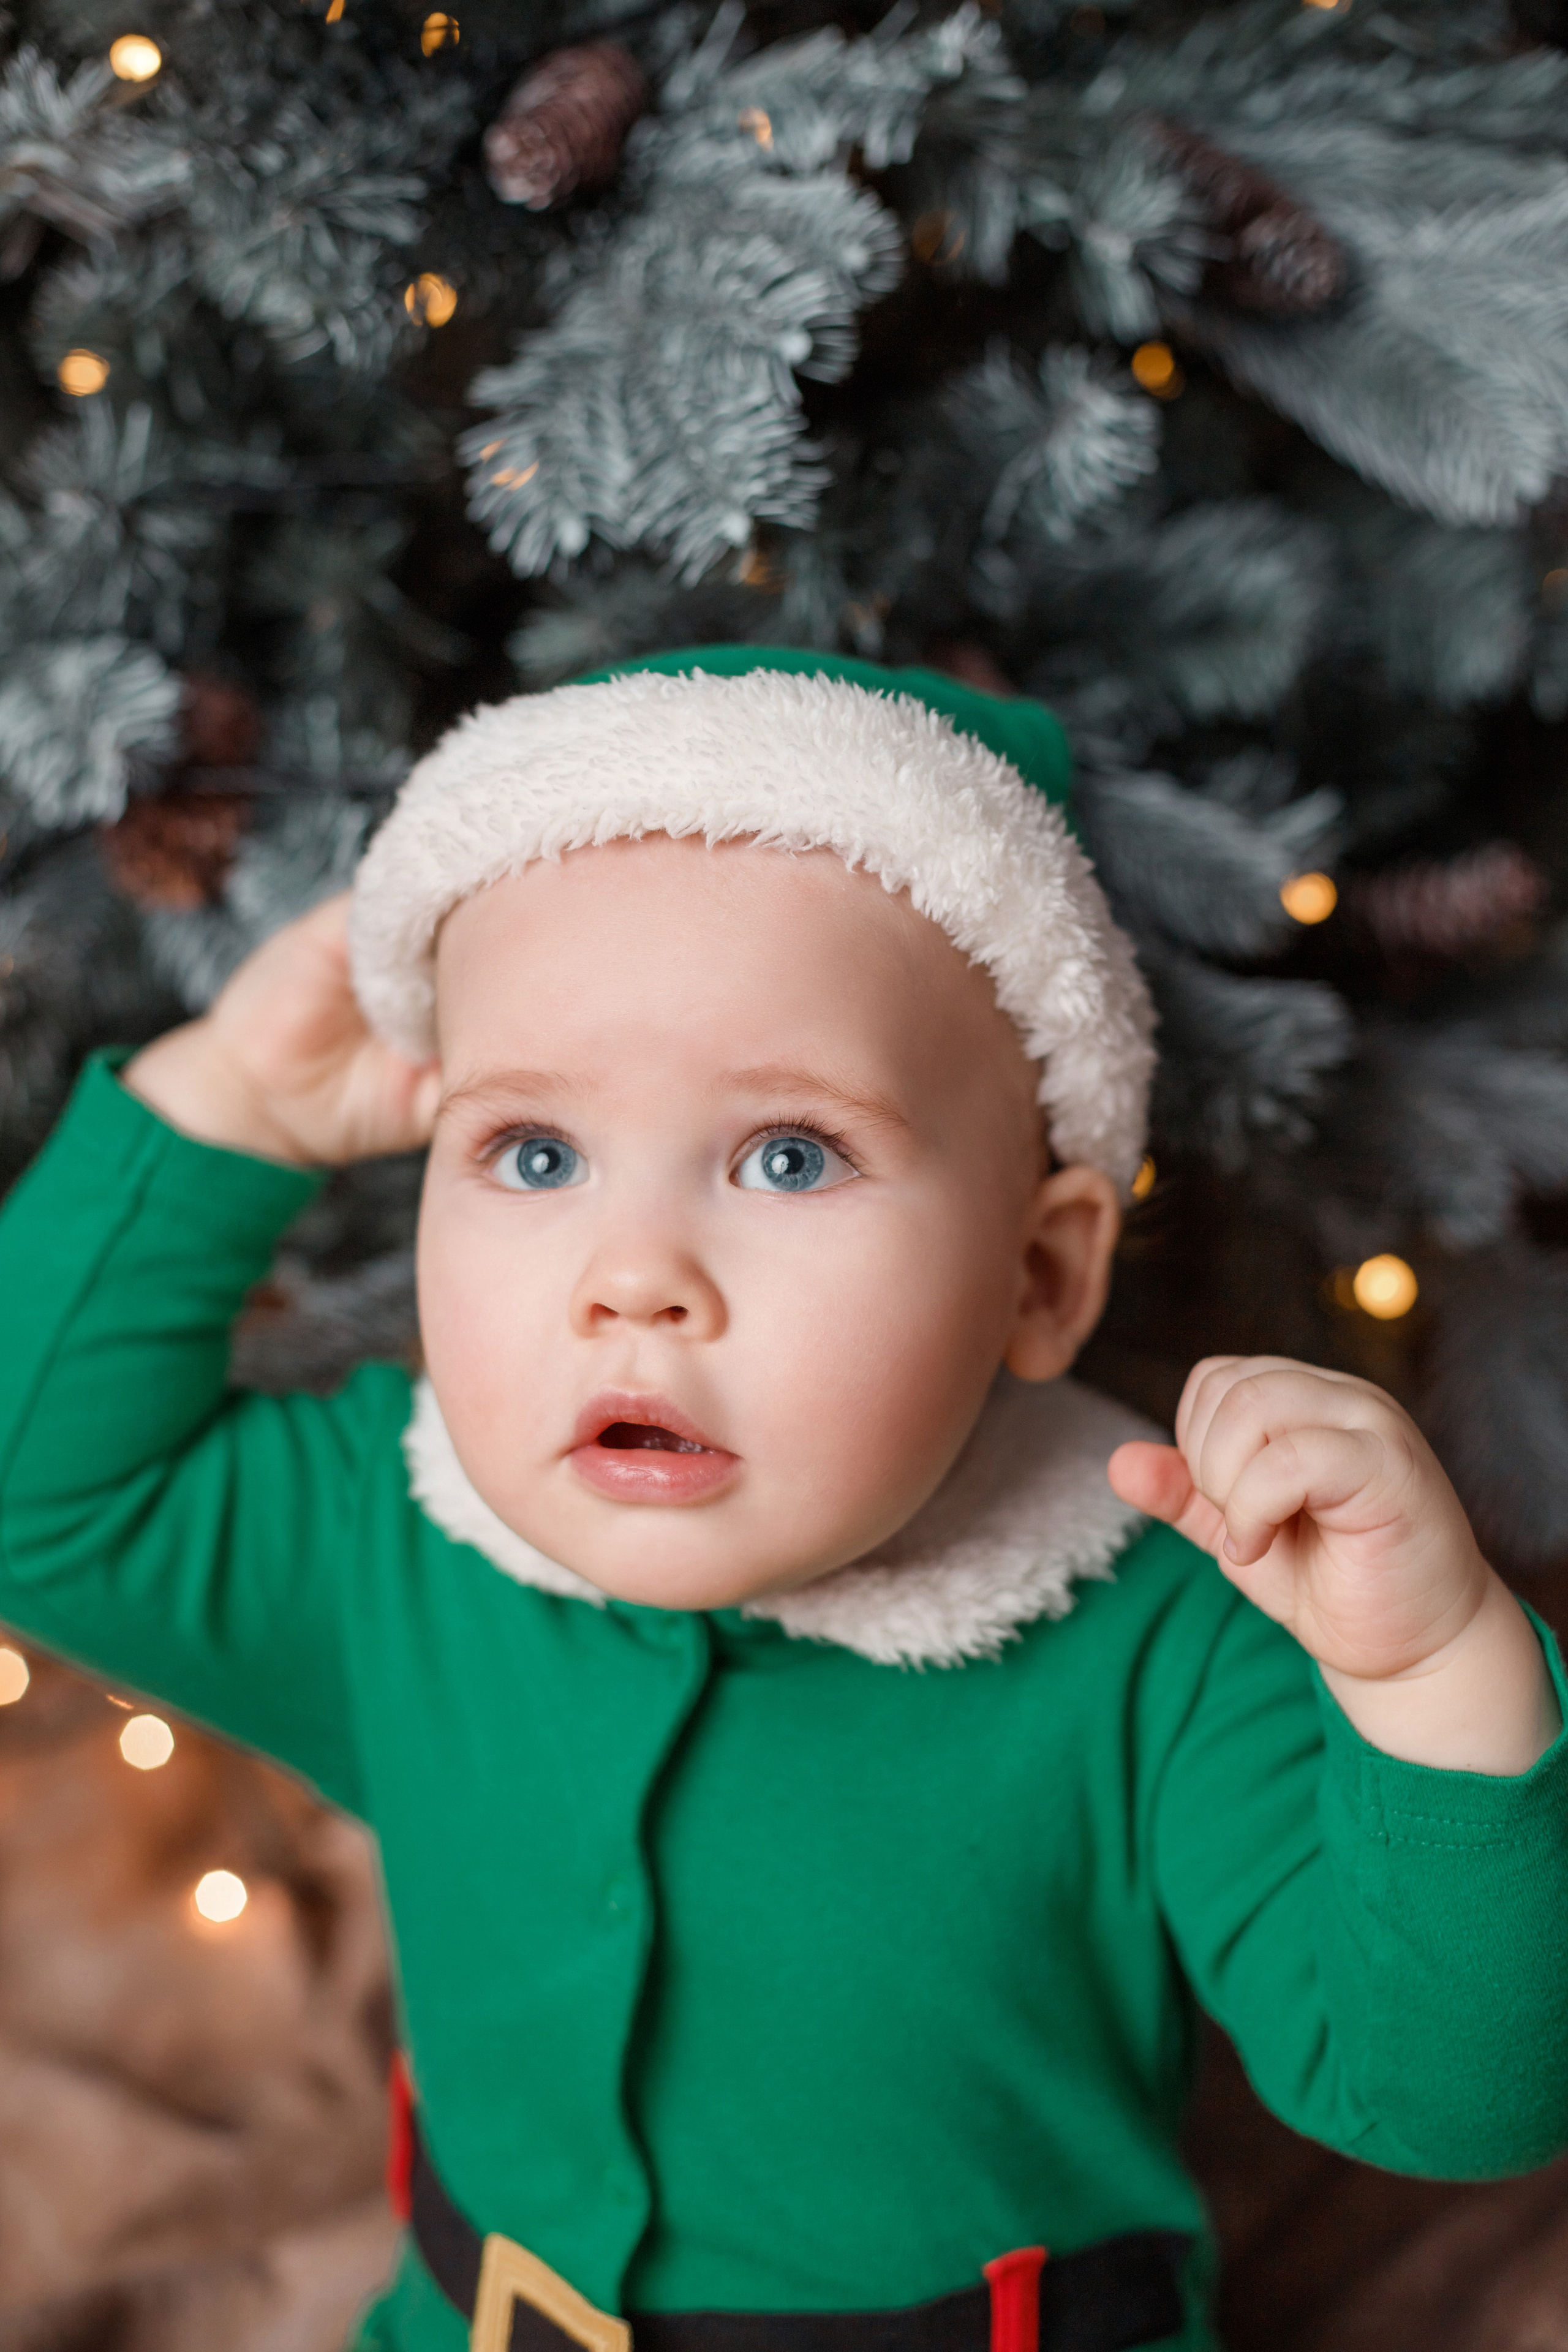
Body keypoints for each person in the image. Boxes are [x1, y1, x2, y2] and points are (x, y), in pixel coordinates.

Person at [2, 647, 1566, 2352]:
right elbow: (35, 1495)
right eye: (534, 1152)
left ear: (1040, 1280)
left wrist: (1435, 1686)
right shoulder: (404, 1535)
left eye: (787, 1157)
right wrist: (222, 1109)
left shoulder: (1160, 1638)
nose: (635, 1277)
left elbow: (1451, 2099)